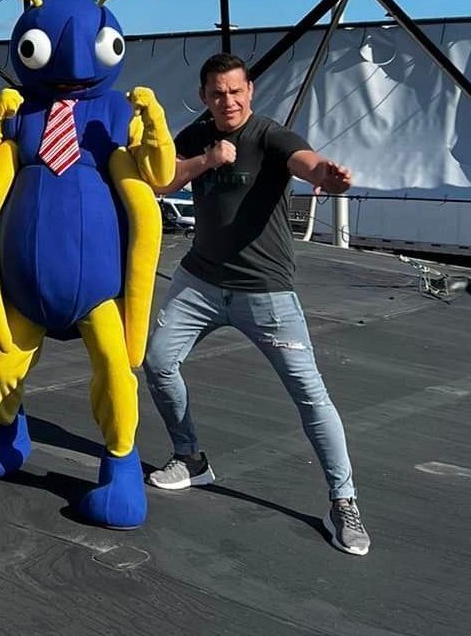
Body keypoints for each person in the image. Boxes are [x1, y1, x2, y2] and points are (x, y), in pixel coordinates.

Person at [142, 52, 371, 557]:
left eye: (236, 91)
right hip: (199, 282)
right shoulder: (196, 136)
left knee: (310, 396)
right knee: (157, 362)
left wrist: (329, 178)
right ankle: (191, 459)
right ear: (204, 97)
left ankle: (344, 501)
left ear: (251, 92)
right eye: (217, 93)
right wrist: (206, 161)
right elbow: (161, 180)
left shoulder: (270, 136)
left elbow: (305, 162)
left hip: (266, 293)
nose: (228, 100)